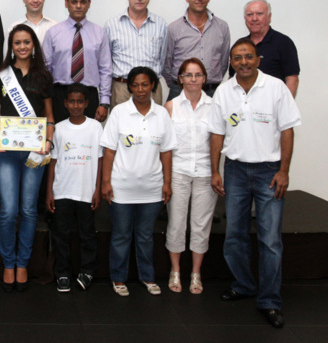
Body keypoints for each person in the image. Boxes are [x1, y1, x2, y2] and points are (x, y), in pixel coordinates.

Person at [209, 38, 301, 328]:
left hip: (269, 172)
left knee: (270, 240)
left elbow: (287, 131)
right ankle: (245, 285)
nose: (244, 62)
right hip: (235, 171)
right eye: (238, 58)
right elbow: (216, 134)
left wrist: (284, 171)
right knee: (234, 234)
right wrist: (215, 170)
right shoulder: (224, 92)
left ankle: (270, 300)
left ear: (258, 59)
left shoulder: (276, 89)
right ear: (232, 62)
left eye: (249, 56)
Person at [0, 24, 54, 292]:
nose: (23, 47)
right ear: (11, 46)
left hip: (34, 153)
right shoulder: (1, 75)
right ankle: (8, 263)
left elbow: (49, 115)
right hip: (6, 153)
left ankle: (23, 263)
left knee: (28, 210)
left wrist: (48, 140)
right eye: (17, 43)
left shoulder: (43, 77)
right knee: (8, 211)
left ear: (34, 45)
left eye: (27, 42)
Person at [100, 66, 177, 297]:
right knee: (121, 235)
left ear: (153, 85)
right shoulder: (119, 112)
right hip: (121, 187)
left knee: (145, 236)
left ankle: (147, 277)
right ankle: (118, 278)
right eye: (135, 85)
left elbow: (166, 152)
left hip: (152, 189)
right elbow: (109, 151)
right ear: (129, 86)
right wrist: (106, 182)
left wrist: (167, 182)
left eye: (145, 84)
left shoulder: (162, 114)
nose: (141, 89)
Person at [164, 58, 217, 294]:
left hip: (206, 173)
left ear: (205, 78)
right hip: (178, 172)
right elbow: (164, 147)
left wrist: (218, 172)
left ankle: (196, 273)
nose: (193, 79)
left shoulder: (215, 106)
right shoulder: (170, 107)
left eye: (197, 75)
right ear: (180, 79)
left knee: (200, 224)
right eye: (188, 75)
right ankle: (175, 270)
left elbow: (218, 142)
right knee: (176, 223)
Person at [46, 83, 103, 293]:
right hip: (62, 191)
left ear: (87, 103)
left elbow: (99, 160)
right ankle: (62, 273)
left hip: (86, 192)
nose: (76, 105)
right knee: (60, 234)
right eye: (72, 101)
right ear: (65, 103)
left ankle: (87, 270)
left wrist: (97, 190)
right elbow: (53, 162)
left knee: (87, 234)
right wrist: (49, 192)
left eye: (80, 101)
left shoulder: (96, 127)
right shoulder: (58, 128)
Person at [42, 0, 112, 122]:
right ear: (66, 3)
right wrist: (46, 103)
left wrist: (104, 102)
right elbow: (45, 70)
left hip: (89, 95)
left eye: (83, 2)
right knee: (59, 138)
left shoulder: (99, 33)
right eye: (74, 2)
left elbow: (105, 70)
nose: (78, 6)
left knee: (89, 140)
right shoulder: (53, 33)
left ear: (89, 3)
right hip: (60, 95)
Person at [104, 0, 168, 107]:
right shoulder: (112, 25)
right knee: (122, 127)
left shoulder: (161, 24)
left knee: (153, 127)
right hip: (122, 89)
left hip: (152, 90)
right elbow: (106, 62)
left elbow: (163, 59)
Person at [163, 0, 230, 101]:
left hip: (211, 91)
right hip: (180, 90)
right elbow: (166, 63)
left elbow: (223, 62)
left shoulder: (222, 27)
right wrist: (178, 83)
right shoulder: (174, 28)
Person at [230, 0, 299, 97]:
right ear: (245, 18)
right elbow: (232, 77)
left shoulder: (284, 43)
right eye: (250, 14)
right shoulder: (239, 45)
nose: (254, 18)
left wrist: (285, 106)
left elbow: (292, 79)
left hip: (272, 104)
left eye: (259, 14)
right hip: (244, 105)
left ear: (269, 17)